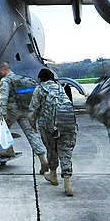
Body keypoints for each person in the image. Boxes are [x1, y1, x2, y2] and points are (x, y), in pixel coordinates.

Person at [28, 68, 77, 196]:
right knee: (65, 151)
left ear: (40, 79)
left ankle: (53, 175)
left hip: (48, 125)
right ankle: (68, 184)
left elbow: (33, 110)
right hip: (68, 123)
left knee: (51, 149)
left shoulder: (40, 89)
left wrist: (32, 125)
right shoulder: (61, 87)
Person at [0, 62, 47, 167]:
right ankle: (42, 158)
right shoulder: (18, 78)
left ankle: (9, 150)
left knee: (4, 129)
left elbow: (3, 98)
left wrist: (1, 113)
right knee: (31, 133)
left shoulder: (5, 80)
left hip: (12, 111)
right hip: (24, 109)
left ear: (3, 70)